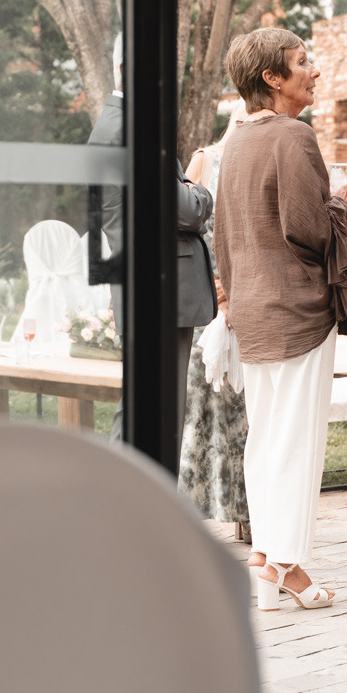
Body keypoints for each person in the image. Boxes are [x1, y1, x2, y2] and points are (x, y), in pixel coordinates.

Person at [214, 28, 347, 610]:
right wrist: (341, 205)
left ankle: (264, 562)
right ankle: (288, 567)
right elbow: (309, 229)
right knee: (296, 442)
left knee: (267, 438)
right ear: (272, 78)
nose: (315, 71)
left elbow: (223, 234)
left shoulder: (234, 141)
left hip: (251, 310)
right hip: (297, 310)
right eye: (303, 62)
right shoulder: (294, 136)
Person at [88, 38, 216, 440]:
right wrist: (200, 185)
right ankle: (134, 500)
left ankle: (126, 498)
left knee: (142, 409)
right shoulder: (133, 128)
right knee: (157, 415)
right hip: (161, 288)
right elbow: (187, 209)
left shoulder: (109, 124)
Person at [181, 102, 252, 541]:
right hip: (210, 302)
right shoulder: (206, 159)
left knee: (247, 411)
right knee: (202, 407)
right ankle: (193, 509)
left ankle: (249, 510)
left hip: (253, 296)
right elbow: (187, 228)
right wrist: (218, 292)